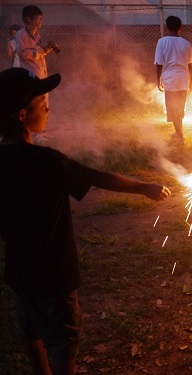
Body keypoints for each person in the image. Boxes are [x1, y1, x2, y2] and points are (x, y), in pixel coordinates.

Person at [0, 67, 171, 375]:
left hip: (20, 272)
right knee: (62, 343)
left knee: (31, 334)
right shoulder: (46, 162)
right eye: (42, 102)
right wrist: (144, 187)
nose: (48, 106)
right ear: (23, 115)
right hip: (54, 277)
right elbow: (97, 177)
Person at [155, 15, 192, 144]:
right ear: (180, 28)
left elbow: (159, 63)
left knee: (173, 109)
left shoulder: (162, 42)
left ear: (167, 27)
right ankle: (179, 133)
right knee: (179, 107)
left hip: (170, 80)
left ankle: (180, 136)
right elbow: (190, 65)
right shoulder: (186, 43)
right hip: (183, 80)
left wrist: (158, 80)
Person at [15, 5, 57, 79]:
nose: (41, 21)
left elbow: (39, 53)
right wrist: (40, 51)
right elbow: (23, 54)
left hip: (41, 73)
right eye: (39, 19)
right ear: (29, 19)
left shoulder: (36, 35)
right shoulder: (21, 34)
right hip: (31, 75)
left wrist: (46, 49)